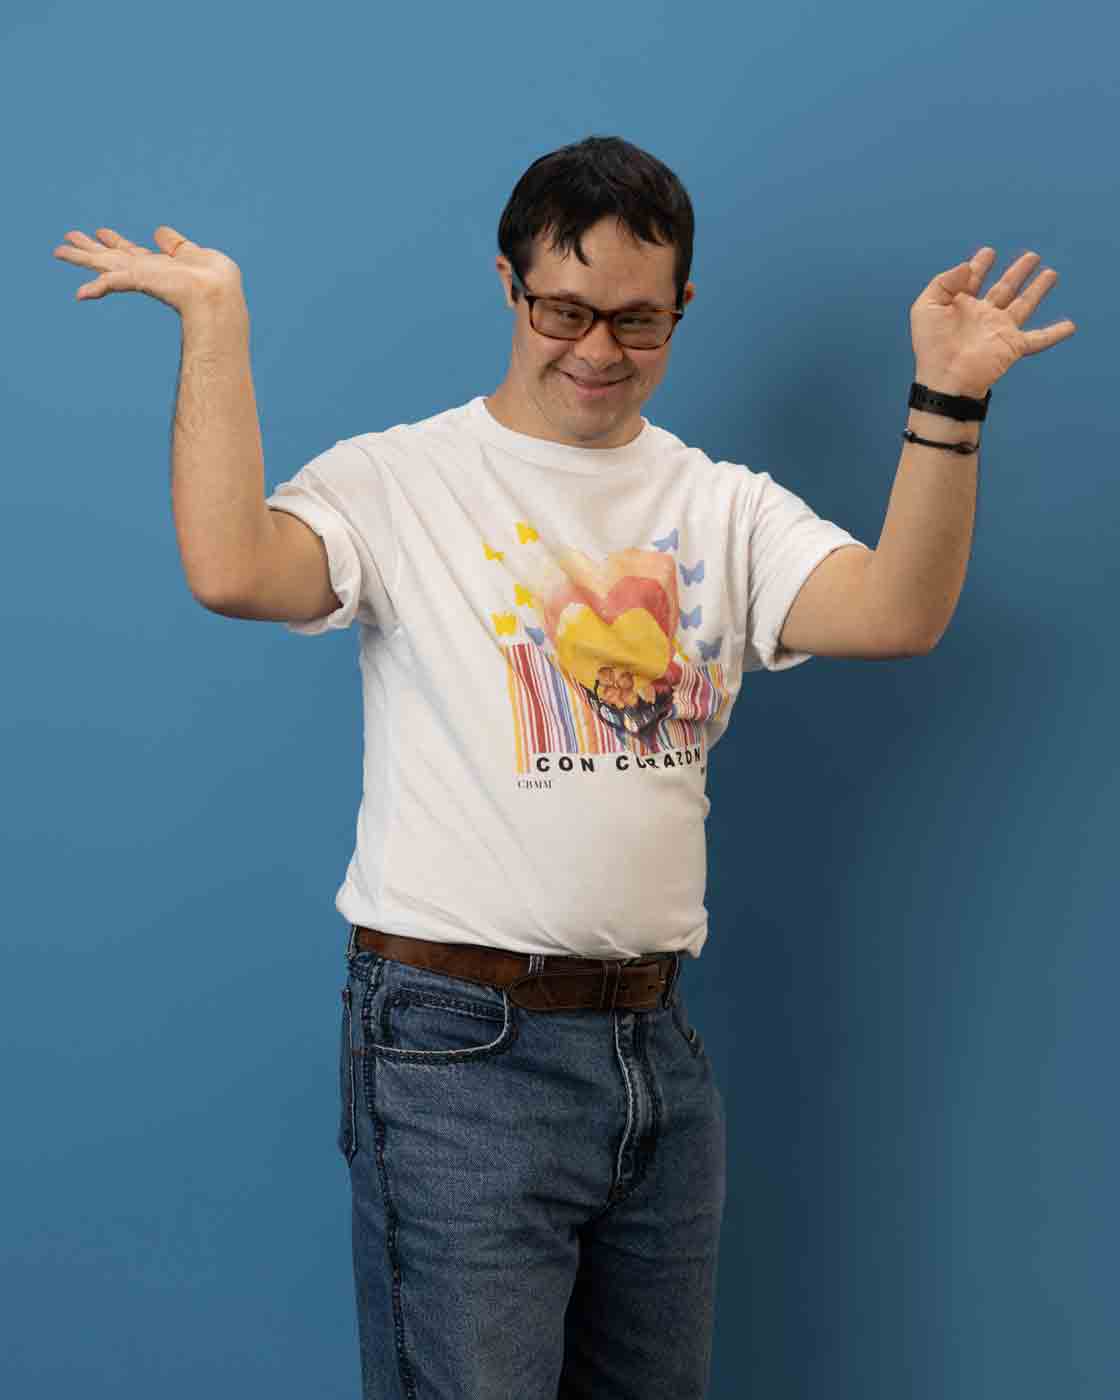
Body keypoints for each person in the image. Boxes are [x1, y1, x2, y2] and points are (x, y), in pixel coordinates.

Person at [54, 135, 887, 1399]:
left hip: (656, 1050)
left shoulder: (723, 503)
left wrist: (947, 409)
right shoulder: (400, 478)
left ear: (680, 307)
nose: (597, 348)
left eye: (637, 319)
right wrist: (216, 324)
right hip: (457, 1050)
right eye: (563, 309)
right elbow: (233, 568)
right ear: (509, 284)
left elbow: (894, 612)